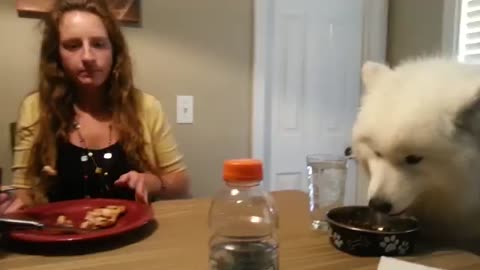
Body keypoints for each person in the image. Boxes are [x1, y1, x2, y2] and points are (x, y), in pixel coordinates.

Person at [2, 0, 190, 214]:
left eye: (99, 44)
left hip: (136, 239)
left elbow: (181, 184)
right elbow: (23, 190)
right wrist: (12, 202)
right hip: (63, 239)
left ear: (114, 51)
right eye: (72, 45)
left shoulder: (146, 107)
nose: (88, 57)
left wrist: (154, 182)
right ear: (56, 55)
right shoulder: (35, 107)